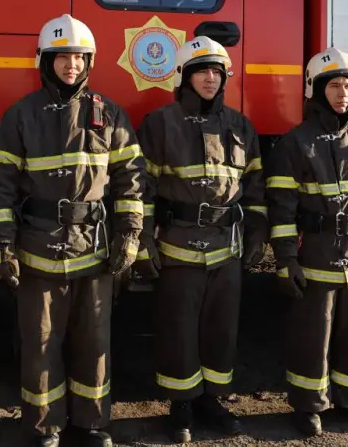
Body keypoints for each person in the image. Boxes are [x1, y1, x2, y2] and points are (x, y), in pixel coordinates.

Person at [0, 14, 145, 447]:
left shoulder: (109, 114)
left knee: (94, 341)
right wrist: (2, 245)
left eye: (78, 58)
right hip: (39, 246)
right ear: (46, 61)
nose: (70, 65)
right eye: (61, 58)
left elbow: (132, 178)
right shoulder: (20, 116)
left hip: (94, 248)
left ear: (88, 62)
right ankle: (45, 426)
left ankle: (92, 424)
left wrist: (129, 234)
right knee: (40, 342)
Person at [132, 36, 269, 444]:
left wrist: (257, 235)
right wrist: (143, 242)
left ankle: (213, 400)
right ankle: (181, 407)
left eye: (216, 72)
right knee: (179, 330)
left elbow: (256, 187)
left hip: (226, 248)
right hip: (178, 246)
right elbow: (142, 190)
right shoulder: (161, 123)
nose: (210, 79)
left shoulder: (240, 125)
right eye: (201, 71)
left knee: (220, 330)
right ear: (185, 76)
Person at [265, 47, 348, 437]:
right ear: (316, 89)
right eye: (335, 86)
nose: (343, 93)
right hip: (317, 253)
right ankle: (308, 406)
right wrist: (286, 259)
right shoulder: (296, 143)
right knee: (313, 333)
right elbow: (282, 208)